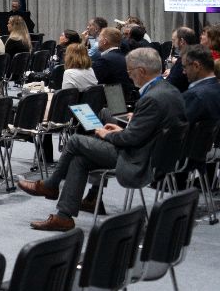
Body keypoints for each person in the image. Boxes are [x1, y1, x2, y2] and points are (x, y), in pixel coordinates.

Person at [19, 48, 187, 230]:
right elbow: (146, 131)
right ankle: (64, 216)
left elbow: (130, 139)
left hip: (139, 159)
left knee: (75, 141)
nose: (129, 75)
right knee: (79, 159)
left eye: (130, 71)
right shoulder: (170, 90)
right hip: (154, 153)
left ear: (141, 71)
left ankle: (51, 185)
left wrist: (108, 134)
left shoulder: (152, 98)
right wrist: (123, 128)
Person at [181, 45, 220, 124]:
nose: (183, 72)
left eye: (185, 67)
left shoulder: (194, 96)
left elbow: (181, 128)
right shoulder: (217, 87)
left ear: (196, 66)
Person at [91, 27, 134, 96]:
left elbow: (93, 84)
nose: (98, 41)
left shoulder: (104, 61)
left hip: (110, 99)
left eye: (99, 37)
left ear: (105, 41)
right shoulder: (126, 57)